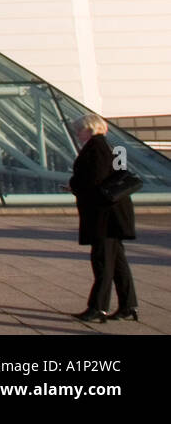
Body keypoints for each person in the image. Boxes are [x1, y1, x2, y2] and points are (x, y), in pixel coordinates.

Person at [68, 114, 138, 323]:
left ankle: (98, 307)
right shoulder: (108, 146)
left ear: (89, 129)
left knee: (102, 262)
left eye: (78, 130)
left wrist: (74, 185)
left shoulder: (95, 149)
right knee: (117, 262)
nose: (77, 134)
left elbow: (94, 181)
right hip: (115, 213)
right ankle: (127, 305)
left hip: (104, 216)